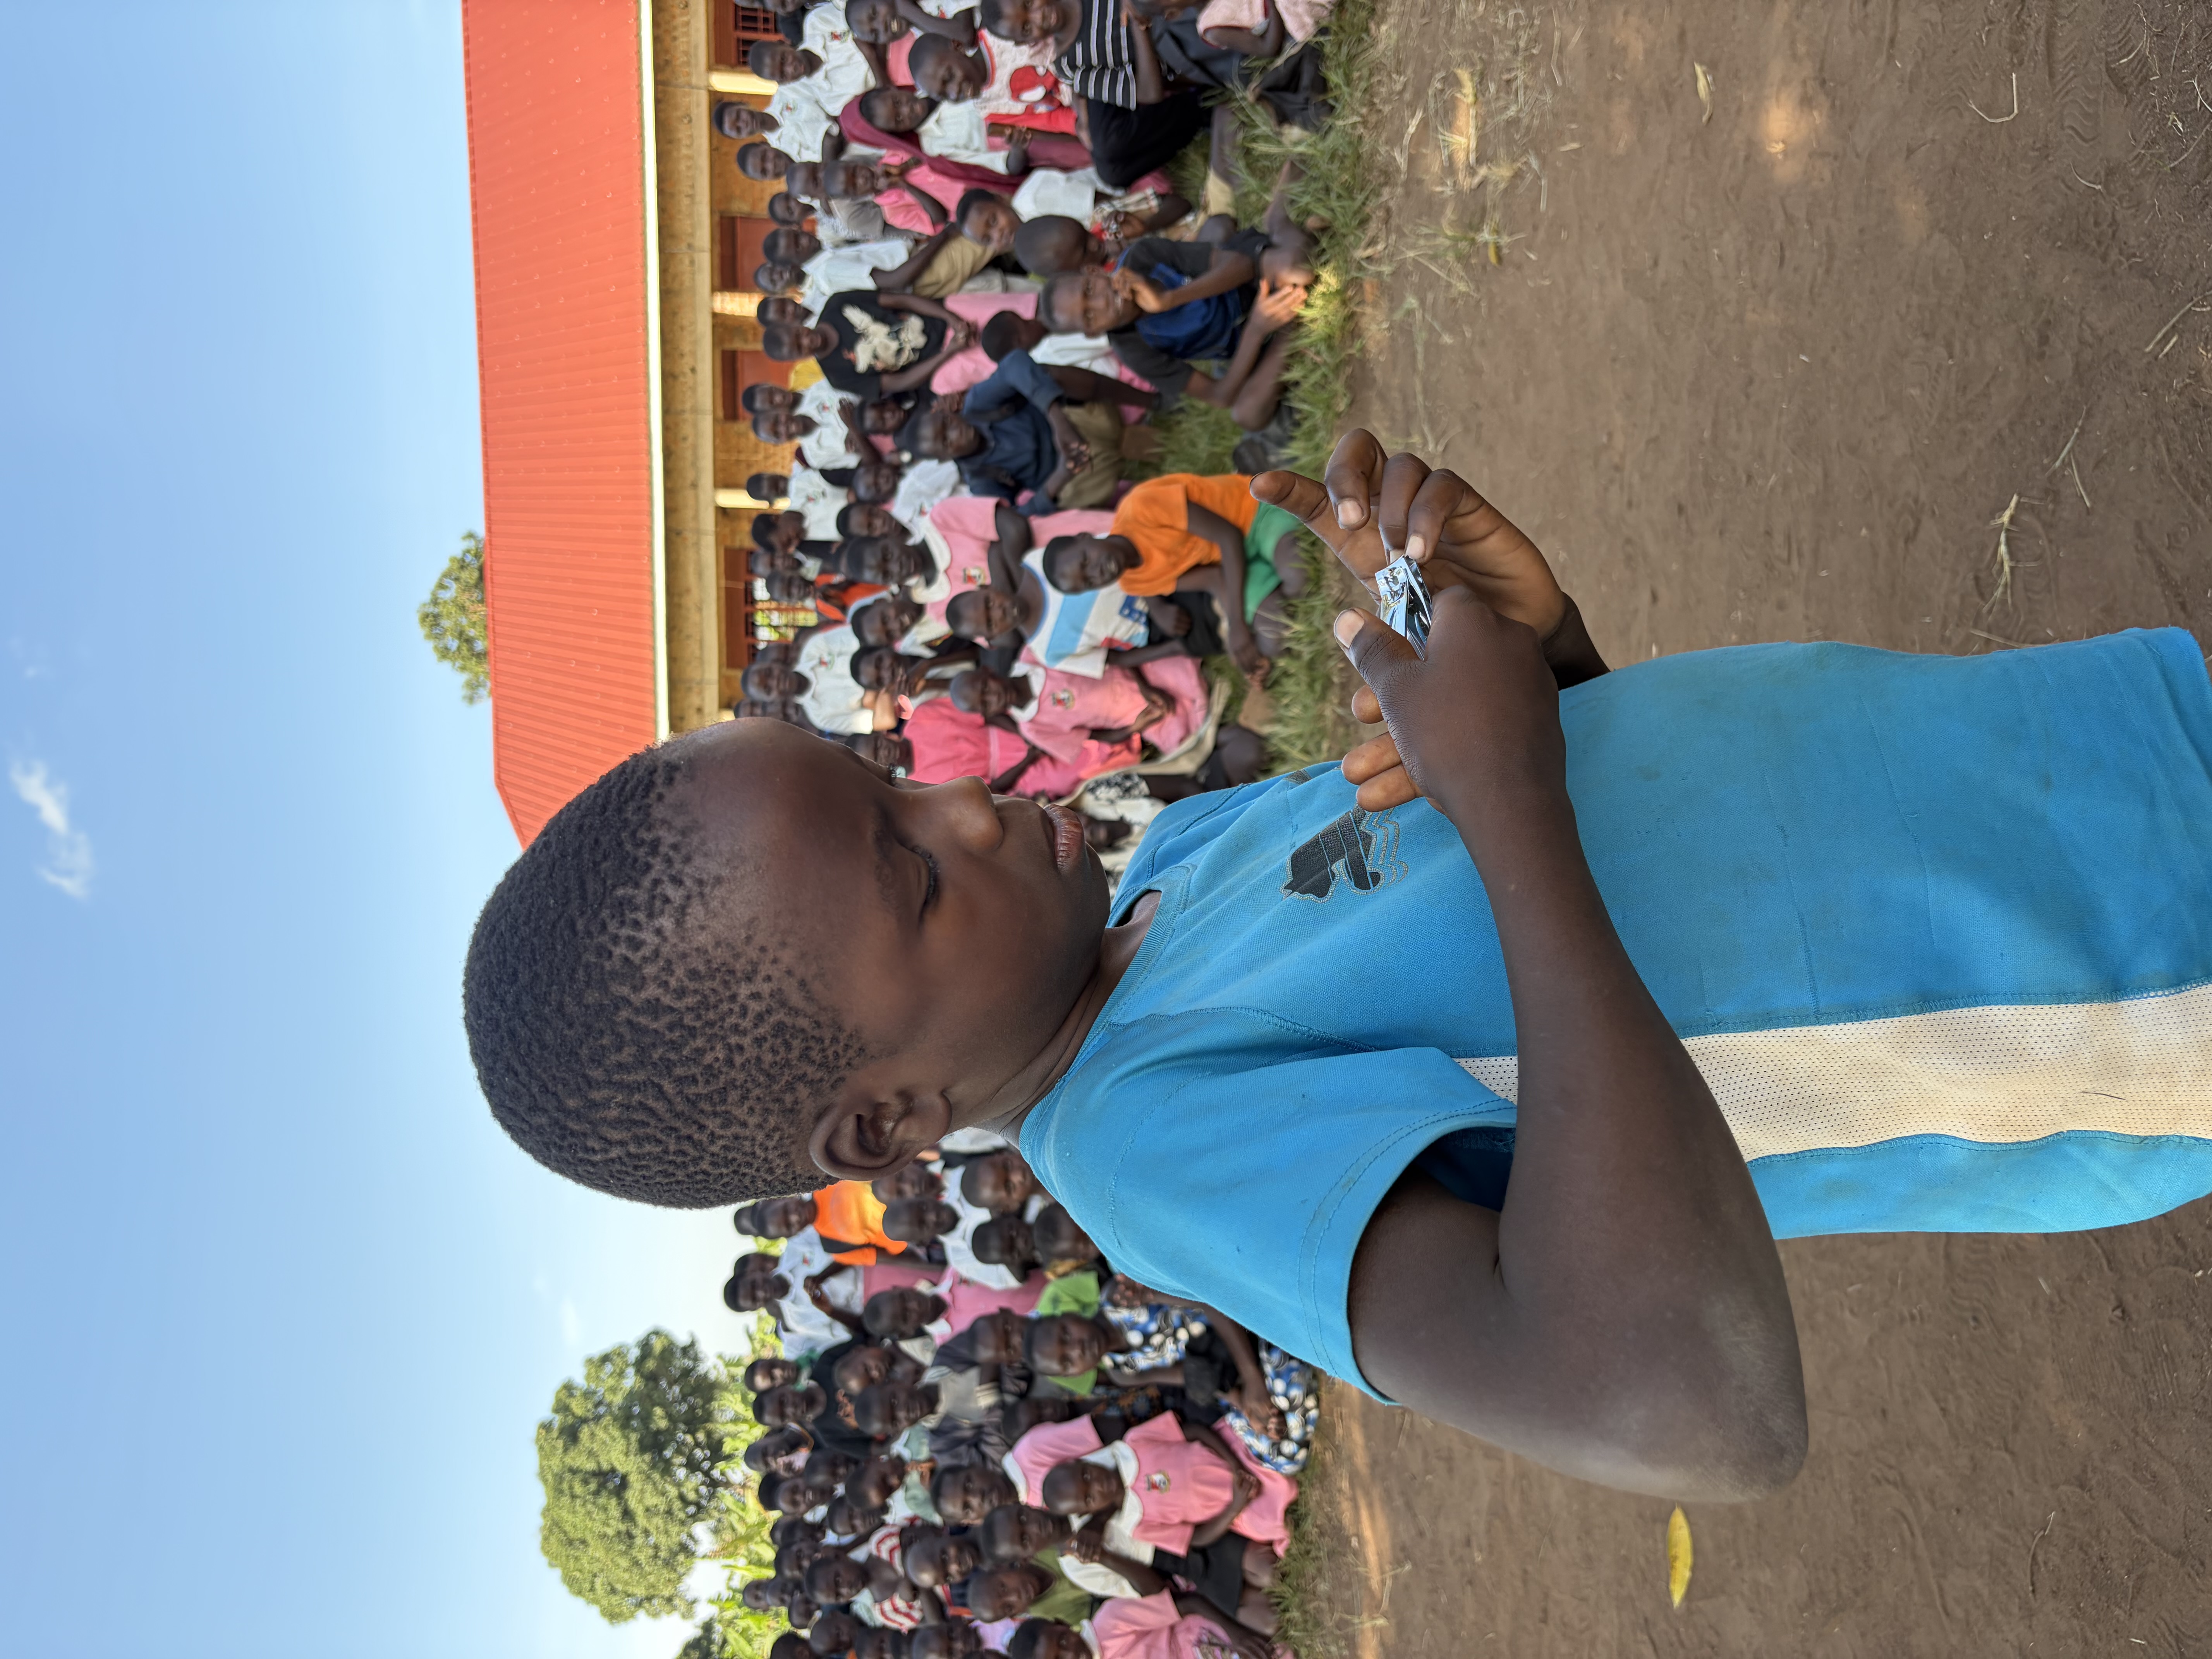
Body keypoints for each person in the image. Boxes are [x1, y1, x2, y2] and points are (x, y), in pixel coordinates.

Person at [465, 428, 2212, 1503]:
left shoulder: (1177, 869)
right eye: (910, 870)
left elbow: (1592, 910)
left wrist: (1543, 663)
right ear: (886, 1121)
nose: (970, 801)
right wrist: (1509, 795)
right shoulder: (1149, 1143)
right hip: (2134, 967)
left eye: (892, 774)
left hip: (2088, 750)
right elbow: (1682, 1404)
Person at [1041, 472, 1306, 678]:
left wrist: (1237, 622)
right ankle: (1278, 586)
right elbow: (1214, 579)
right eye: (1090, 582)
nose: (1096, 573)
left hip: (1254, 515)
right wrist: (1240, 639)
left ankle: (1282, 578)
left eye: (1086, 561)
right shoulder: (1133, 583)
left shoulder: (1140, 507)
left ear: (1086, 537)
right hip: (1235, 565)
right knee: (1275, 641)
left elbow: (1229, 537)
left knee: (1300, 575)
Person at [1039, 259, 1305, 434]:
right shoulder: (1132, 350)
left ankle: (1285, 295)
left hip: (1245, 287)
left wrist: (1169, 299)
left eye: (1089, 290)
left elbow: (1241, 263)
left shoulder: (1141, 259)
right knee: (1248, 415)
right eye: (1089, 316)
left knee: (1292, 265)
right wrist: (1256, 330)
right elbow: (1220, 396)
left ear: (1094, 271)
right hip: (1244, 340)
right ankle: (1291, 327)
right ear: (1093, 332)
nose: (1102, 303)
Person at [767, 298, 973, 400]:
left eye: (798, 334)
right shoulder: (837, 377)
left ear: (796, 325)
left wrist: (951, 319)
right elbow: (900, 382)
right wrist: (949, 353)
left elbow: (901, 299)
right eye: (799, 348)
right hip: (941, 364)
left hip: (942, 316)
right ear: (798, 359)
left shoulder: (837, 305)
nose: (806, 341)